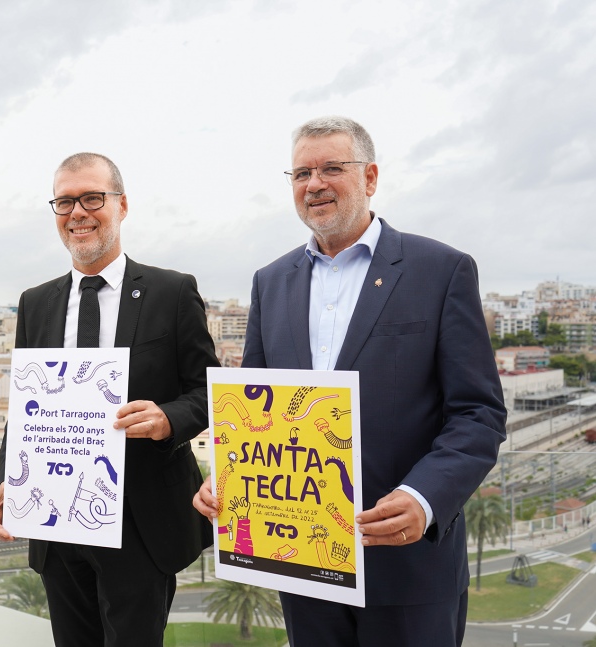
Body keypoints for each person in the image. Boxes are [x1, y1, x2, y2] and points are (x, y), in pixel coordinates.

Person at [193, 116, 507, 647]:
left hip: (407, 565)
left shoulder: (441, 269)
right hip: (303, 566)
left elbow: (479, 414)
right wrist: (231, 473)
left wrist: (424, 496)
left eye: (332, 168)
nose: (314, 184)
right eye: (301, 173)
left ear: (371, 177)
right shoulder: (271, 282)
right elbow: (257, 410)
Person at [0, 152, 219, 647]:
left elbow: (209, 391)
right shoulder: (36, 301)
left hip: (140, 519)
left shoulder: (172, 291)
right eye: (65, 201)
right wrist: (9, 477)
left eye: (93, 197)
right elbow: (24, 402)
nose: (78, 212)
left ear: (122, 205)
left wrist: (167, 419)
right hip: (55, 518)